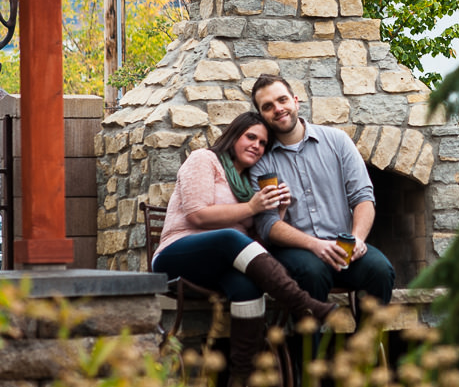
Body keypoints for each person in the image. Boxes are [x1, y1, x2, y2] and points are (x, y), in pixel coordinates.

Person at [151, 111, 338, 387]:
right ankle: (305, 304)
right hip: (177, 255)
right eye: (251, 137)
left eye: (263, 143)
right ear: (233, 135)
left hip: (219, 264)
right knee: (228, 237)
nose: (257, 146)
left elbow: (253, 250)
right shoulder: (205, 159)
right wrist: (252, 208)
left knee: (247, 288)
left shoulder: (249, 185)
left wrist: (279, 211)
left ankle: (241, 377)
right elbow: (197, 215)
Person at [249, 76, 395, 307]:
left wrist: (357, 239)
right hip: (296, 251)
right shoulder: (261, 162)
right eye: (268, 106)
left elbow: (363, 196)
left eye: (282, 100)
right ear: (261, 115)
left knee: (380, 270)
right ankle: (310, 344)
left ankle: (364, 343)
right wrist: (315, 245)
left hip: (344, 247)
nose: (278, 109)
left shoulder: (337, 141)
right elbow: (267, 226)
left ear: (296, 102)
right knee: (312, 273)